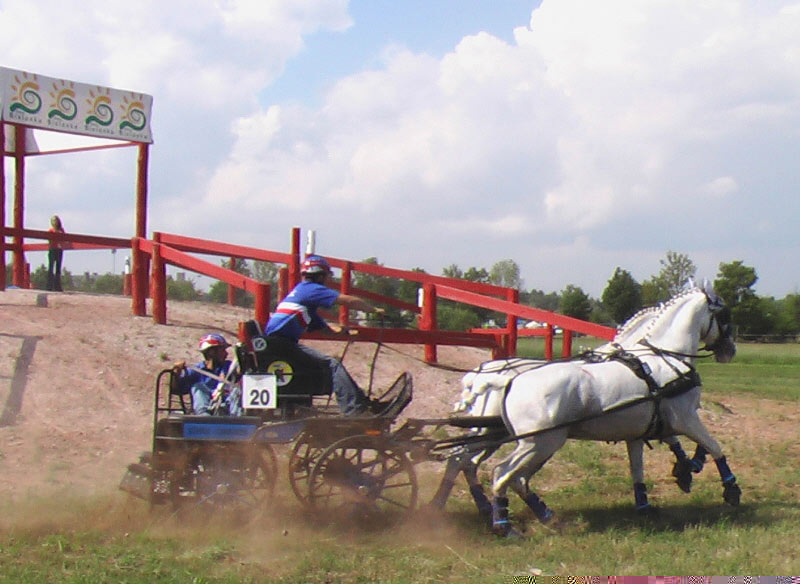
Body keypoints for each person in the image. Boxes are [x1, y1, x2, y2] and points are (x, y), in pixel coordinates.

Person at [264, 254, 382, 415]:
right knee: (331, 365)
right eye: (326, 276)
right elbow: (349, 301)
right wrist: (374, 310)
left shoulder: (303, 301)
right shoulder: (311, 289)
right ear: (320, 276)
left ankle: (359, 402)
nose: (327, 280)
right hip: (282, 344)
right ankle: (354, 410)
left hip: (277, 344)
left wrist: (345, 332)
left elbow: (326, 330)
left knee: (323, 366)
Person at [172, 333, 242, 416]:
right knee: (197, 387)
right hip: (206, 409)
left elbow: (239, 373)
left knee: (238, 390)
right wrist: (176, 372)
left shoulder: (229, 367)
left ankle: (235, 417)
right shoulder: (196, 370)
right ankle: (204, 415)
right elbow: (177, 389)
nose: (226, 354)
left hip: (228, 410)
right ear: (211, 352)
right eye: (222, 350)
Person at [46, 215, 65, 291]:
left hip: (59, 250)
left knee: (58, 268)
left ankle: (57, 286)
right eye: (53, 221)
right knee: (51, 268)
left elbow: (64, 239)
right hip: (52, 249)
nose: (54, 222)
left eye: (55, 220)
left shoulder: (61, 230)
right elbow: (49, 240)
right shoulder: (50, 230)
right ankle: (49, 286)